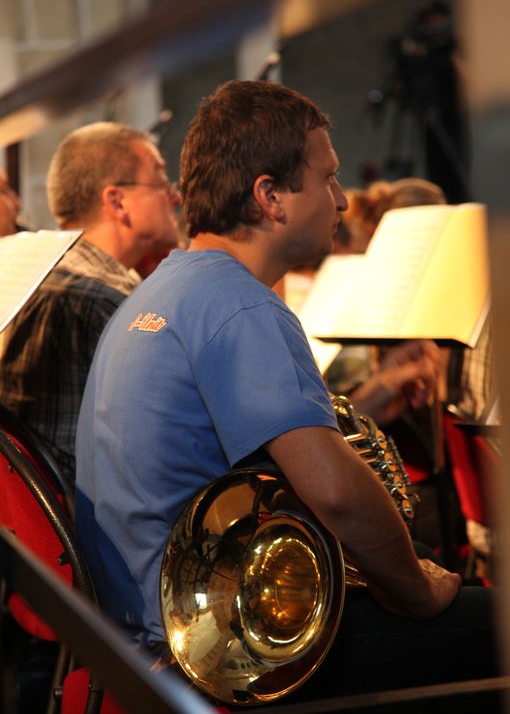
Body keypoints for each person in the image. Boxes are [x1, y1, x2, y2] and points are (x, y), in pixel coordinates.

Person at [75, 82, 498, 700]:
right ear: (269, 196)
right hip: (218, 646)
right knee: (489, 622)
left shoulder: (162, 290)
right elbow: (339, 495)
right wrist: (414, 587)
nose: (343, 200)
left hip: (150, 627)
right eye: (327, 180)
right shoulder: (240, 306)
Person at [0, 122, 181, 482]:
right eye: (160, 181)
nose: (175, 197)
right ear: (116, 201)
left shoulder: (28, 269)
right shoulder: (108, 300)